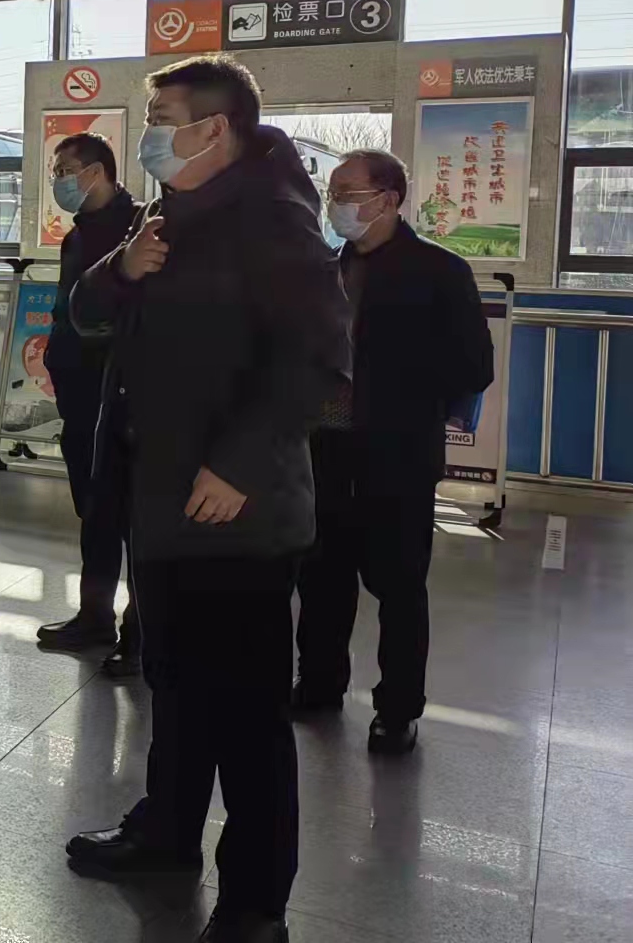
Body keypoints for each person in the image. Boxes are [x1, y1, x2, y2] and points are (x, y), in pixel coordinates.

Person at [65, 56, 349, 943]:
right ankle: (168, 833)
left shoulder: (273, 216)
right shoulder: (166, 212)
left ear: (214, 128)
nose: (150, 134)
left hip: (237, 512)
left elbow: (318, 360)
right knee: (177, 686)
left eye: (162, 117)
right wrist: (123, 267)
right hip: (159, 497)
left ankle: (256, 903)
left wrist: (239, 465)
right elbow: (85, 312)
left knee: (247, 714)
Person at [294, 149, 493, 755]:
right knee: (322, 578)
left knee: (399, 586)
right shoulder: (326, 268)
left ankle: (398, 708)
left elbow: (474, 365)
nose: (336, 204)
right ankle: (319, 683)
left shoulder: (440, 270)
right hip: (326, 448)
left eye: (348, 192)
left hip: (397, 455)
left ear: (387, 199)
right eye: (332, 193)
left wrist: (396, 380)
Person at [34, 132, 141, 677]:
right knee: (94, 511)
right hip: (79, 396)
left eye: (65, 169)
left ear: (96, 171)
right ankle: (94, 615)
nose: (58, 180)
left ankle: (140, 632)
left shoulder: (139, 227)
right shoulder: (76, 235)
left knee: (133, 518)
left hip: (124, 395)